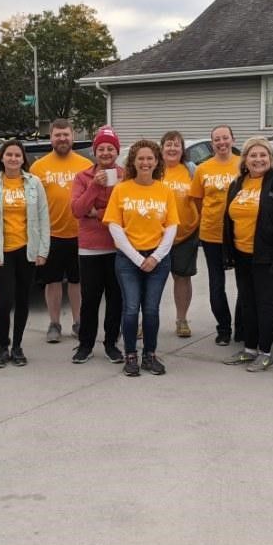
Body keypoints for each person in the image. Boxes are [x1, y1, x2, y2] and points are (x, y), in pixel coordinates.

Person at [104, 140, 179, 377]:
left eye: (150, 159)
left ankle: (150, 355)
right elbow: (115, 226)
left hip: (158, 259)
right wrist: (138, 259)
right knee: (130, 309)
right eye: (140, 159)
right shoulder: (121, 189)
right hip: (129, 259)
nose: (145, 163)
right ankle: (130, 355)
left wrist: (155, 257)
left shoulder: (165, 190)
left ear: (157, 162)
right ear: (133, 162)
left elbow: (171, 227)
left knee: (151, 310)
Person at [223, 137, 273, 371]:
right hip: (243, 255)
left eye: (263, 155)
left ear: (270, 159)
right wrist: (229, 253)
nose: (258, 159)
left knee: (266, 305)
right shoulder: (238, 183)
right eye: (253, 155)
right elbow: (227, 219)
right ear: (245, 159)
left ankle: (265, 353)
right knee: (248, 303)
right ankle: (249, 349)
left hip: (268, 257)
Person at [0, 140, 50, 369]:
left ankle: (17, 346)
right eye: (9, 154)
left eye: (17, 155)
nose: (13, 158)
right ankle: (2, 346)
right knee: (4, 300)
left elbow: (42, 218)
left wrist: (42, 250)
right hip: (1, 252)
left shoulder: (33, 183)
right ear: (2, 157)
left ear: (23, 159)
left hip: (27, 250)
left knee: (22, 300)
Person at [30, 118, 92, 343]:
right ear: (51, 137)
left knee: (77, 281)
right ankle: (54, 324)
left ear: (72, 136)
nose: (62, 139)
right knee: (52, 281)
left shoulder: (85, 165)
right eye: (58, 135)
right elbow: (33, 204)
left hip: (80, 233)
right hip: (51, 235)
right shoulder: (38, 167)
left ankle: (78, 322)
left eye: (66, 134)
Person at [70, 125, 124, 364]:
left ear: (116, 152)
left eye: (110, 149)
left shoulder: (124, 175)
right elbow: (77, 210)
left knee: (116, 299)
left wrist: (98, 214)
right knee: (89, 299)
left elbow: (123, 212)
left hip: (118, 246)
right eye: (101, 148)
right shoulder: (83, 177)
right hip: (90, 247)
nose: (105, 153)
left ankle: (112, 344)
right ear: (94, 151)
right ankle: (85, 344)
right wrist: (95, 186)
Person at [189, 124, 243, 346]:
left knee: (244, 283)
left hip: (239, 233)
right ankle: (223, 328)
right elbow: (199, 200)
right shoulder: (203, 169)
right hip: (211, 234)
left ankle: (242, 326)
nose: (221, 143)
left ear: (232, 139)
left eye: (225, 138)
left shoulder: (243, 165)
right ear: (212, 144)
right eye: (217, 140)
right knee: (216, 284)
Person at [160, 131, 200, 338]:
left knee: (182, 278)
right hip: (156, 236)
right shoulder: (155, 171)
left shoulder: (191, 170)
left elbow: (200, 198)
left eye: (176, 145)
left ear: (183, 149)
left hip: (186, 234)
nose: (172, 148)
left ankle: (182, 320)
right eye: (168, 144)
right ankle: (144, 320)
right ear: (162, 148)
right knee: (149, 280)